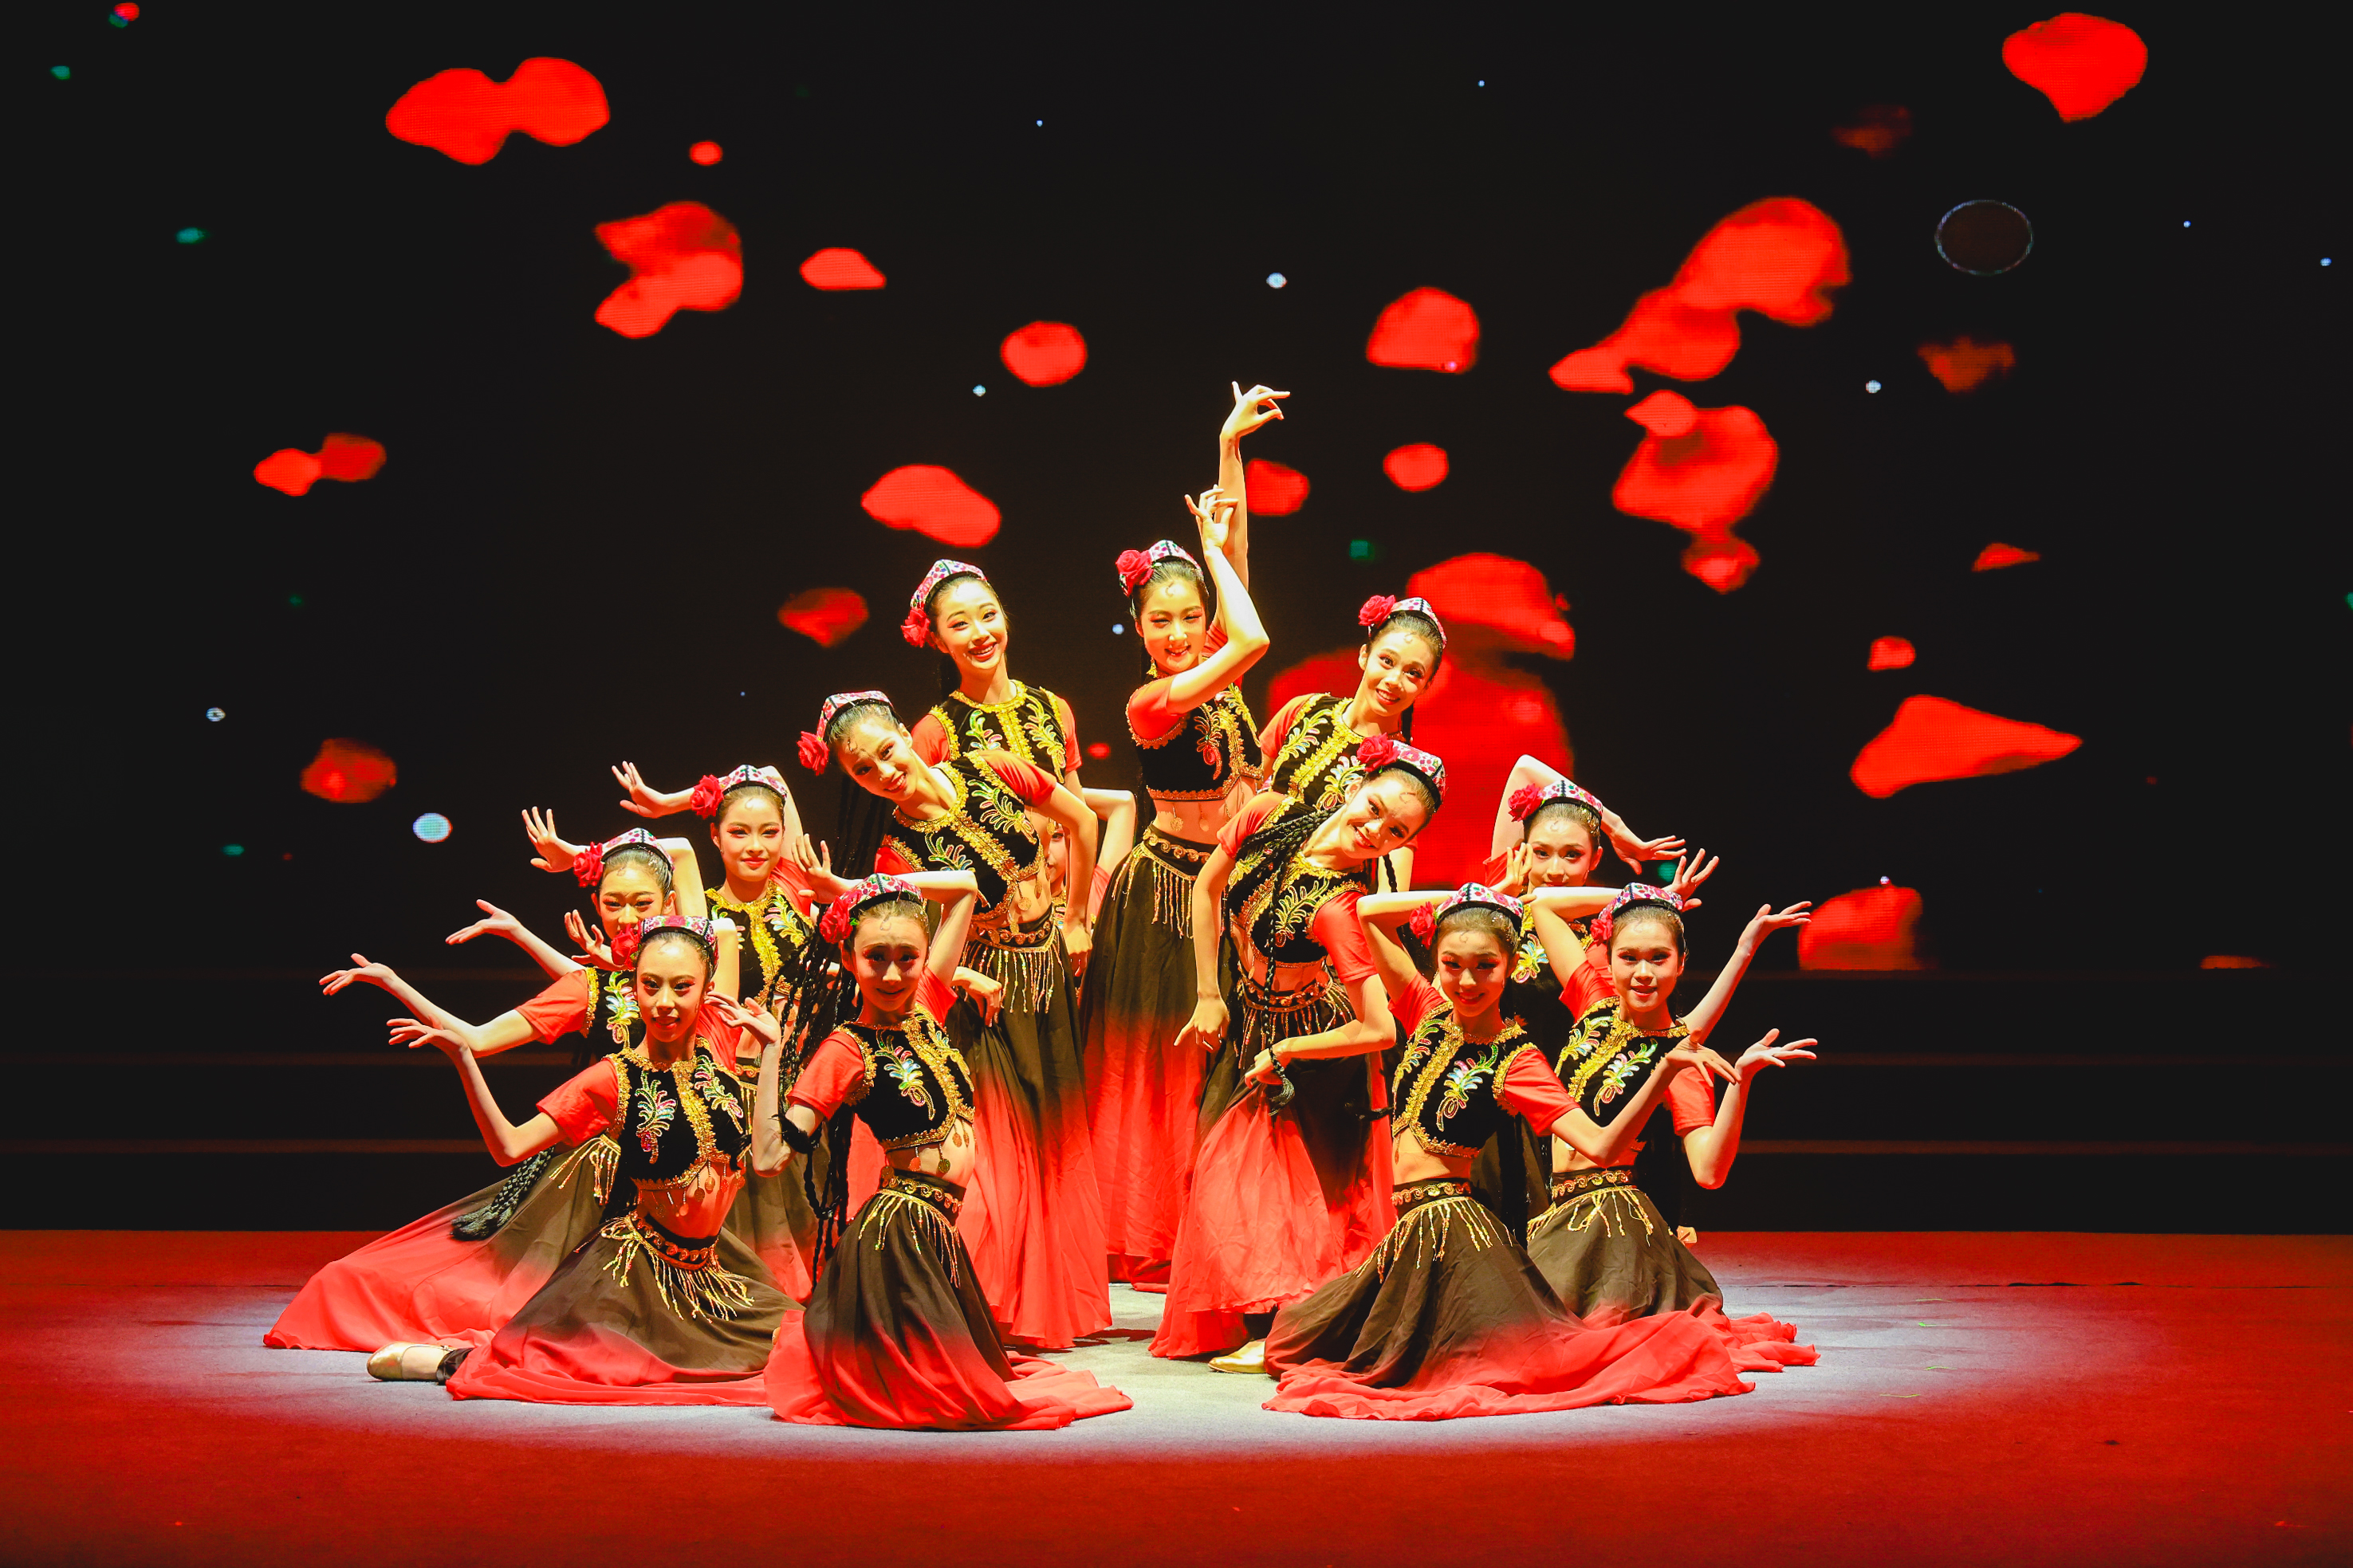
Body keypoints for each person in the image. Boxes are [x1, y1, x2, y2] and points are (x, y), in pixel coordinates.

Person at [1259, 884, 1754, 1419]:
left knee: (1492, 1360)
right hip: (1419, 1225)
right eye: (1452, 965)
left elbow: (1603, 1145)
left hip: (1459, 1225)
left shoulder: (1516, 1060)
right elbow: (1369, 912)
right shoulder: (1428, 1014)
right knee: (1294, 1341)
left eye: (1486, 966)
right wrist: (1475, 899)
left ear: (1511, 967)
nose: (1467, 981)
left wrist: (1669, 1071)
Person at [264, 827, 733, 1354]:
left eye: (641, 903)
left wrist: (581, 855)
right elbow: (479, 1038)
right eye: (612, 902)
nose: (625, 917)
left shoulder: (705, 978)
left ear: (669, 904)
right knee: (534, 1309)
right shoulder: (587, 987)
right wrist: (396, 983)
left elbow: (684, 854)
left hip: (691, 1171)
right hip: (602, 1176)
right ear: (595, 905)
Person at [754, 874, 1133, 1428]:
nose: (891, 974)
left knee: (967, 1379)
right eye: (875, 957)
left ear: (925, 957)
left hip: (936, 1230)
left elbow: (965, 889)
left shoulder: (926, 1006)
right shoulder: (847, 1048)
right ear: (849, 957)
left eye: (907, 958)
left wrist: (864, 888)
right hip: (897, 1232)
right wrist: (772, 1052)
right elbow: (769, 1157)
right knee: (955, 1396)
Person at [801, 690, 1110, 1348]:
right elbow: (915, 946)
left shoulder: (990, 766)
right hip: (982, 997)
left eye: (887, 751)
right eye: (863, 770)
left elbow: (1082, 820)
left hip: (1048, 967)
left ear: (904, 733)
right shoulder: (894, 854)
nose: (884, 771)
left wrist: (1078, 916)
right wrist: (963, 976)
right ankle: (990, 1303)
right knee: (1001, 1149)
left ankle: (1044, 1299)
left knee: (1051, 1132)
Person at [375, 916, 788, 1404]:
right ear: (631, 988)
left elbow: (768, 1161)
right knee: (582, 1369)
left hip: (709, 1276)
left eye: (682, 987)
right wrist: (465, 1059)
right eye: (650, 985)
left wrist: (773, 1050)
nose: (665, 1003)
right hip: (635, 1276)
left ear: (706, 991)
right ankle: (451, 1360)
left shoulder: (720, 1058)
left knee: (801, 1342)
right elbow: (509, 1147)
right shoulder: (613, 1079)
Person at [1149, 735, 1446, 1370]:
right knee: (1229, 1181)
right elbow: (1206, 887)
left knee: (1285, 1197)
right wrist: (1207, 993)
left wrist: (1289, 1049)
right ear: (1354, 787)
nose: (1375, 830)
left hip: (1310, 1046)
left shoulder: (1341, 906)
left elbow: (1379, 1028)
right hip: (1248, 1021)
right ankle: (1264, 1321)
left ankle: (1284, 1332)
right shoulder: (1269, 812)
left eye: (1395, 831)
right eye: (1374, 808)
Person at [1082, 466, 1274, 1287]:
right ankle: (1158, 1232)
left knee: (1224, 1059)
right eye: (1159, 619)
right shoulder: (1151, 701)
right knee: (1166, 1068)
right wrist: (1210, 550)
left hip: (1227, 886)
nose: (1178, 631)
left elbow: (1238, 576)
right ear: (1137, 626)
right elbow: (1252, 636)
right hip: (1163, 892)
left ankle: (1215, 1225)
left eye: (1191, 615)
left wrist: (1230, 452)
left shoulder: (1218, 676)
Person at [1528, 885, 1820, 1373]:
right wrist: (1648, 897)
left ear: (1681, 963)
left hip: (1611, 1228)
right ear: (1608, 959)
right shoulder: (1592, 1005)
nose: (1643, 973)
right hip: (1554, 1212)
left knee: (1574, 1351)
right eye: (1629, 957)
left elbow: (1709, 1172)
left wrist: (1740, 1083)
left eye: (1659, 958)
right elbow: (1542, 905)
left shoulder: (1682, 1061)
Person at [902, 558, 1096, 886]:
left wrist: (1078, 910)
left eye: (988, 615)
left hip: (1060, 905)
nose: (980, 633)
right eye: (960, 625)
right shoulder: (933, 734)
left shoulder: (1054, 709)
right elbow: (923, 850)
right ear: (938, 641)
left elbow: (1080, 821)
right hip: (987, 911)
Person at [1257, 593, 1446, 888]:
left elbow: (1391, 892)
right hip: (1240, 884)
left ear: (1426, 686)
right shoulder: (1304, 709)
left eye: (1413, 673)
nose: (1394, 680)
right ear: (1364, 655)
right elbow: (1246, 794)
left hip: (1313, 908)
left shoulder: (1402, 772)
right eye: (1387, 661)